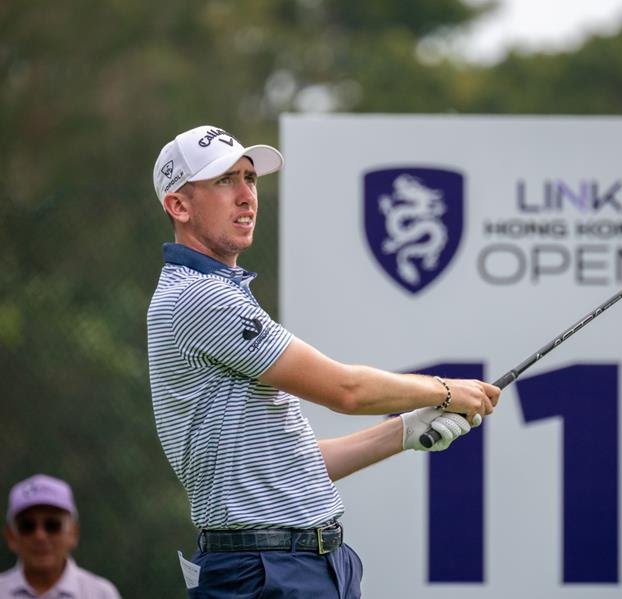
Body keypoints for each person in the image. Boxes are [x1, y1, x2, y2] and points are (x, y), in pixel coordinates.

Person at [147, 125, 501, 597]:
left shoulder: (223, 294)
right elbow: (345, 391)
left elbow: (294, 465)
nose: (247, 196)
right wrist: (446, 390)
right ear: (179, 206)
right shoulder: (197, 298)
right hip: (266, 570)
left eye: (250, 178)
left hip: (311, 563)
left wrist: (405, 430)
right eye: (224, 181)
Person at [1, 474, 121, 598]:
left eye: (52, 525)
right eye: (27, 526)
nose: (40, 536)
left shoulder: (100, 594)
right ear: (11, 536)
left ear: (73, 533)